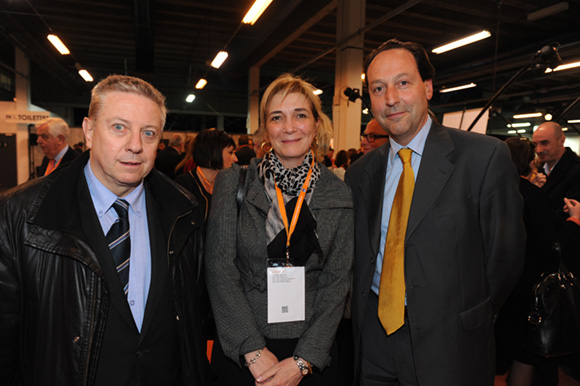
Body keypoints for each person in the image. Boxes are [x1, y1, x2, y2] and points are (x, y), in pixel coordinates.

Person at [0, 74, 209, 385]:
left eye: (148, 133)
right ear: (89, 130)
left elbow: (193, 321)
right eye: (119, 128)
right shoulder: (21, 214)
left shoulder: (184, 213)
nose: (135, 145)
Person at [345, 38, 525, 386]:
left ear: (427, 87)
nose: (391, 98)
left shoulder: (484, 158)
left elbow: (505, 257)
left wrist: (472, 315)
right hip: (374, 343)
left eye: (403, 82)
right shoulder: (360, 173)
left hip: (451, 345)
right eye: (378, 88)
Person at [205, 73, 353, 386]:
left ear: (315, 124)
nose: (288, 127)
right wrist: (252, 349)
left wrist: (304, 360)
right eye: (277, 117)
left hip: (311, 351)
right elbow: (220, 269)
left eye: (300, 115)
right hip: (244, 348)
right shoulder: (234, 183)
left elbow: (336, 282)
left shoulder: (338, 193)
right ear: (265, 129)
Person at [494, 137, 558, 386]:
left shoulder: (492, 192)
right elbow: (545, 245)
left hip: (496, 283)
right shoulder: (534, 196)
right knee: (523, 354)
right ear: (528, 161)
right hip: (526, 286)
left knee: (493, 352)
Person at [176, 128, 238, 223]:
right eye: (230, 152)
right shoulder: (184, 185)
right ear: (214, 153)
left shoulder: (228, 183)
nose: (235, 159)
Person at [532, 122, 580, 227]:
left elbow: (567, 215)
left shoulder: (576, 170)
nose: (538, 150)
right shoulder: (539, 170)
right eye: (535, 144)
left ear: (561, 141)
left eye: (544, 143)